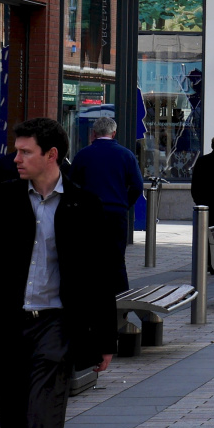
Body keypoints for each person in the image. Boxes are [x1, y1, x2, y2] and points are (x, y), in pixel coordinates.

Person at [0, 118, 117, 428]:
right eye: (17, 151)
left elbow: (100, 277)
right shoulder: (2, 200)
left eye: (25, 152)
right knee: (10, 417)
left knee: (43, 422)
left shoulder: (84, 205)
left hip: (56, 323)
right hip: (8, 323)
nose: (16, 159)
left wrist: (105, 340)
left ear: (51, 154)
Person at [69, 116, 144, 294]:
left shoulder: (83, 155)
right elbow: (137, 186)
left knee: (89, 257)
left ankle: (91, 295)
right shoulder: (126, 155)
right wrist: (125, 203)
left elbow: (71, 185)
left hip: (88, 215)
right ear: (114, 133)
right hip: (116, 213)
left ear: (93, 133)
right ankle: (120, 299)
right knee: (117, 259)